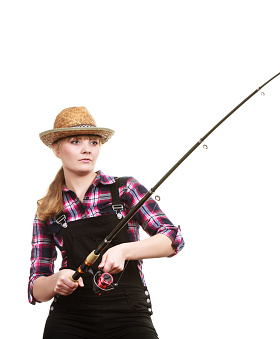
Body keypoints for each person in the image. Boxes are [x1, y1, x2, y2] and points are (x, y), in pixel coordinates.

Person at [29, 106, 184, 338]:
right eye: (75, 141)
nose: (87, 150)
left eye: (93, 142)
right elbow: (36, 289)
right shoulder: (48, 210)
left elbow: (172, 239)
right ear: (56, 149)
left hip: (129, 315)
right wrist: (56, 281)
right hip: (70, 319)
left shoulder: (125, 188)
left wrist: (124, 250)